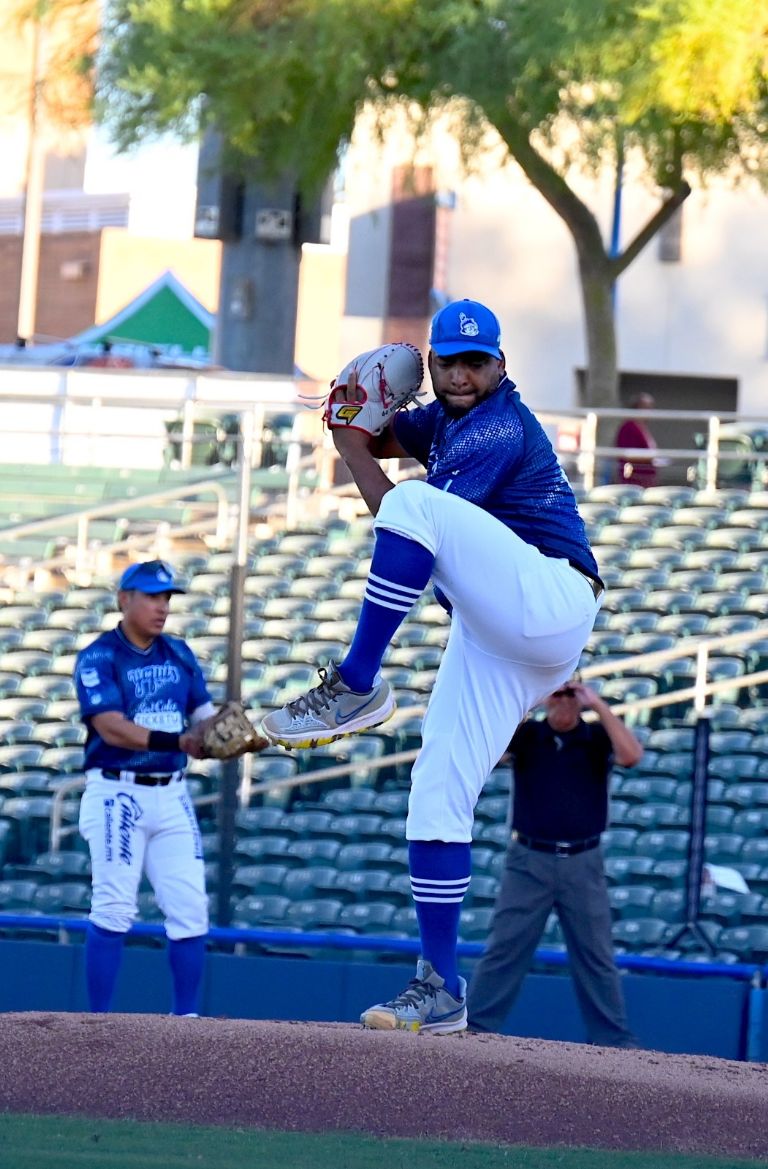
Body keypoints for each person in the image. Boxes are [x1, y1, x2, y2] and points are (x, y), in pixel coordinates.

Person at [262, 298, 604, 1033]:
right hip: (496, 634)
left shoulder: (497, 426)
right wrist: (351, 424)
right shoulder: (447, 417)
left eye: (475, 362)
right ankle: (441, 987)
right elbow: (386, 438)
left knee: (416, 508)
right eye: (448, 360)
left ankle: (355, 683)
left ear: (500, 367)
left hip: (552, 597)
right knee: (435, 794)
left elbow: (404, 510)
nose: (459, 374)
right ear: (437, 361)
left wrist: (350, 447)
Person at [74, 559, 219, 1017]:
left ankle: (186, 1019)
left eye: (167, 598)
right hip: (118, 792)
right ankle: (97, 1022)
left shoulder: (178, 652)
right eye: (152, 596)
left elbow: (204, 717)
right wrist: (180, 741)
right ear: (124, 599)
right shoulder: (99, 655)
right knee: (115, 908)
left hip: (171, 793)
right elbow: (111, 727)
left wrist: (228, 729)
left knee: (190, 909)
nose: (162, 607)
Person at [466, 677, 643, 1047]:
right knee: (505, 949)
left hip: (583, 859)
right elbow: (487, 752)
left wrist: (599, 706)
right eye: (558, 695)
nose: (563, 703)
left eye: (570, 695)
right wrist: (528, 702)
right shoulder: (529, 735)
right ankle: (475, 1029)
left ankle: (614, 1041)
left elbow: (631, 755)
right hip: (529, 859)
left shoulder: (594, 737)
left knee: (596, 954)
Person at [614, 392, 659, 487]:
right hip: (634, 478)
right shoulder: (629, 427)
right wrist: (650, 458)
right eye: (645, 408)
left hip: (646, 479)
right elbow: (627, 454)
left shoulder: (642, 427)